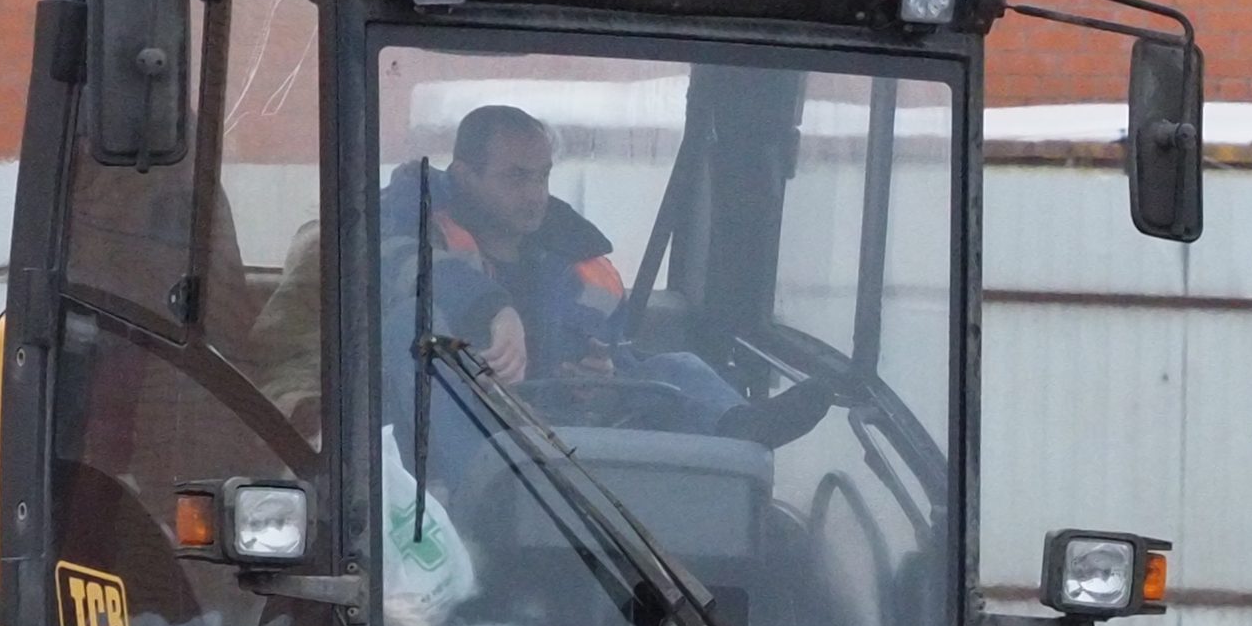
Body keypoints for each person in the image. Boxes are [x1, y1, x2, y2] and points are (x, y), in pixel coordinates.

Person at [246, 103, 827, 449]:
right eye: (516, 177)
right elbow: (398, 263)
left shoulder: (579, 267)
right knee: (416, 335)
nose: (535, 195)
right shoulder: (390, 224)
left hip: (562, 463)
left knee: (675, 368)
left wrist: (601, 374)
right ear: (464, 175)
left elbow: (610, 360)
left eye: (543, 175)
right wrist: (490, 308)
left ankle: (741, 427)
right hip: (439, 465)